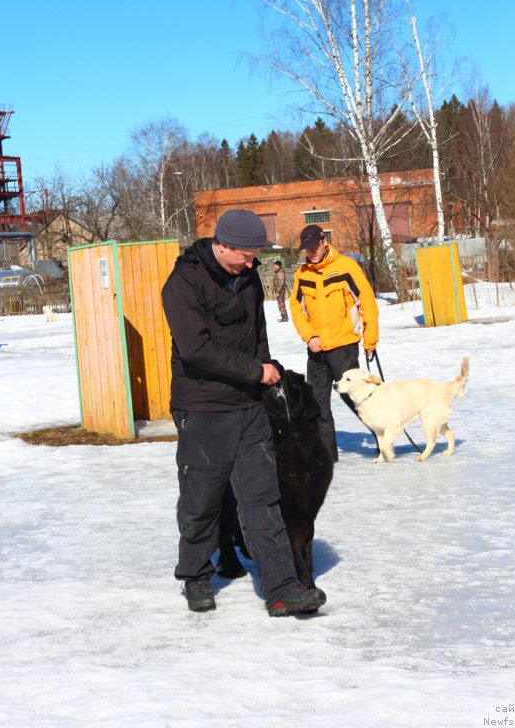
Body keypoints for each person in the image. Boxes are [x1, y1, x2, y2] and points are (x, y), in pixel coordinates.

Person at [162, 209, 326, 617]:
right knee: (203, 497)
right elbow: (195, 350)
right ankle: (196, 575)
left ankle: (283, 588)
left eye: (255, 256)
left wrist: (264, 380)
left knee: (262, 498)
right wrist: (256, 371)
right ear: (223, 245)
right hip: (202, 406)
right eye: (247, 255)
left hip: (249, 404)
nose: (253, 264)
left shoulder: (248, 276)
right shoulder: (183, 283)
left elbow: (257, 334)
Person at [289, 225, 379, 463]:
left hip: (344, 346)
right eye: (307, 248)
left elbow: (367, 302)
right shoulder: (302, 274)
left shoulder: (346, 267)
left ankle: (382, 438)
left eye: (314, 246)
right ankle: (326, 456)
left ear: (324, 241)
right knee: (316, 404)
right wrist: (310, 336)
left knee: (355, 398)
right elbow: (296, 309)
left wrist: (370, 339)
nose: (311, 252)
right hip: (316, 351)